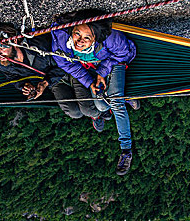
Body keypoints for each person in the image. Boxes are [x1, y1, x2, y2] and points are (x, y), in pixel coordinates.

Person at [51, 10, 137, 175]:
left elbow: (123, 54)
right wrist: (90, 82)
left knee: (115, 102)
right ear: (72, 30)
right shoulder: (61, 40)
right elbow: (68, 65)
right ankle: (126, 99)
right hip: (92, 68)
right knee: (100, 105)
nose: (79, 41)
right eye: (77, 35)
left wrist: (101, 73)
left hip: (112, 63)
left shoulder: (110, 37)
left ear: (95, 38)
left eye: (86, 38)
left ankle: (126, 150)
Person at [0, 23, 94, 119]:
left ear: (14, 41)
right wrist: (24, 85)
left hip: (69, 72)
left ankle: (97, 115)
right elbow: (12, 77)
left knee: (88, 110)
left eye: (1, 49)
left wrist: (45, 82)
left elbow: (62, 65)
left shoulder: (38, 46)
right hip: (53, 81)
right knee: (74, 113)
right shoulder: (0, 61)